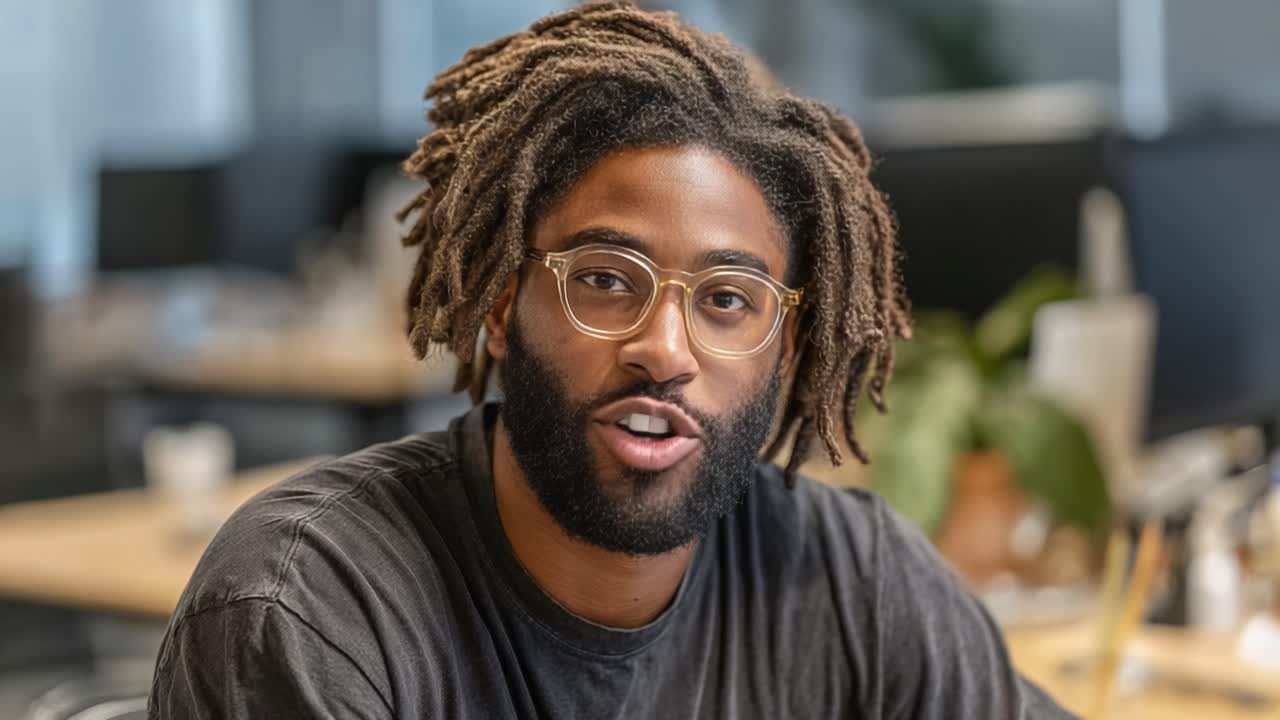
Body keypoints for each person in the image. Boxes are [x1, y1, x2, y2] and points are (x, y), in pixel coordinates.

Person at [148, 3, 1073, 718]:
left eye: (726, 301)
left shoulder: (853, 584)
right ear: (504, 303)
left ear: (782, 348)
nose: (663, 351)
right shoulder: (313, 609)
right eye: (605, 279)